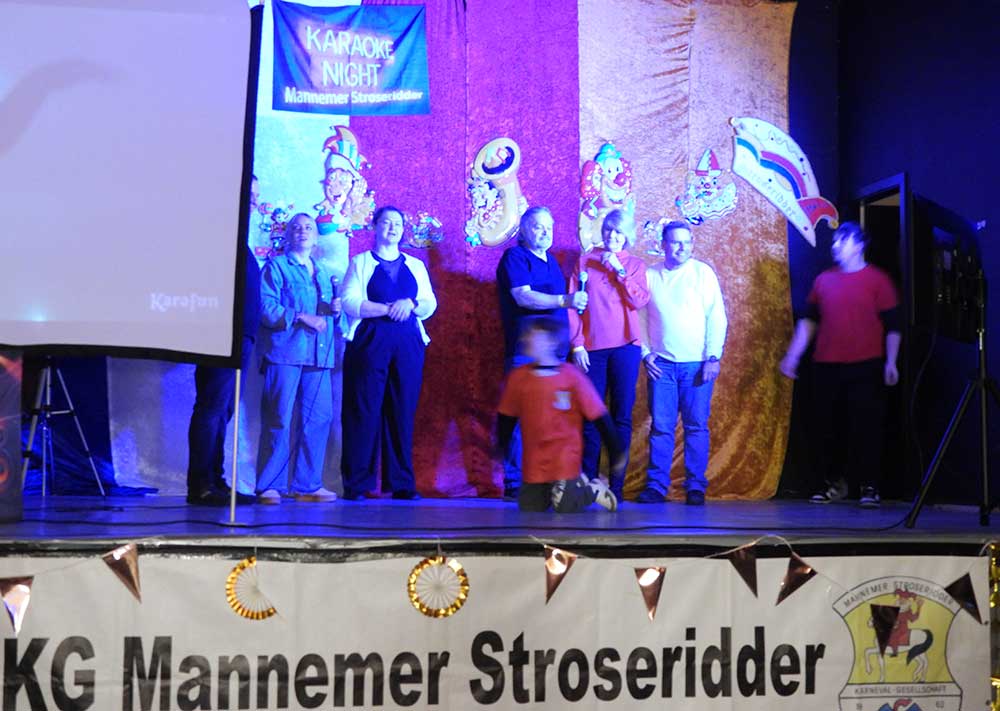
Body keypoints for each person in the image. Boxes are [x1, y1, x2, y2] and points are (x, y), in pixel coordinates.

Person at [780, 221, 899, 508]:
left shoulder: (878, 280)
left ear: (858, 245)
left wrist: (892, 361)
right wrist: (793, 356)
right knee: (825, 428)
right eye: (834, 241)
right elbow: (809, 321)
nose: (835, 246)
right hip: (826, 365)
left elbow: (893, 326)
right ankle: (828, 484)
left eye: (842, 241)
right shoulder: (823, 280)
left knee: (866, 427)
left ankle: (869, 486)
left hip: (866, 365)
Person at [340, 205, 437, 500]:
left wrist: (410, 304)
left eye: (398, 223)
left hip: (408, 342)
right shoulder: (361, 262)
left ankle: (401, 482)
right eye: (386, 222)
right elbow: (349, 302)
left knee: (402, 409)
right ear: (375, 227)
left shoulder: (415, 265)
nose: (393, 228)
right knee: (364, 409)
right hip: (370, 341)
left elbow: (429, 303)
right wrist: (387, 309)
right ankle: (357, 482)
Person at [496, 207, 587, 498]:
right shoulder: (516, 257)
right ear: (523, 230)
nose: (546, 232)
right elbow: (523, 296)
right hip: (527, 352)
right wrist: (565, 300)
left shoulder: (551, 261)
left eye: (549, 227)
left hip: (555, 355)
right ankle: (515, 482)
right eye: (538, 227)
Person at [638, 221, 727, 506]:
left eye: (687, 242)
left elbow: (717, 316)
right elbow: (639, 316)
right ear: (663, 244)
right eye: (676, 242)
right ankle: (656, 486)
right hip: (661, 365)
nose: (682, 248)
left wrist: (713, 356)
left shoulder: (703, 273)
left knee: (696, 426)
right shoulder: (650, 275)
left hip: (698, 365)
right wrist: (646, 353)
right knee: (661, 427)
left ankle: (695, 487)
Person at [186, 175, 261, 506]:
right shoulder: (219, 236)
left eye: (257, 195)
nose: (255, 201)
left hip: (241, 338)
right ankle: (201, 484)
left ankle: (215, 481)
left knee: (223, 411)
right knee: (211, 407)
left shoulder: (239, 238)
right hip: (221, 336)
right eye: (250, 194)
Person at [256, 213, 340, 504]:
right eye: (296, 228)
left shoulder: (323, 272)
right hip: (285, 353)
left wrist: (334, 309)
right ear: (287, 235)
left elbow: (327, 316)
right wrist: (301, 316)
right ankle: (270, 485)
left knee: (318, 419)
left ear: (316, 237)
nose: (302, 231)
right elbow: (265, 308)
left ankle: (307, 485)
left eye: (308, 228)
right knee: (279, 417)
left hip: (319, 356)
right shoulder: (276, 267)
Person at [498, 316, 622, 512]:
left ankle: (591, 490)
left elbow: (600, 417)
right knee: (530, 509)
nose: (527, 340)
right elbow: (506, 418)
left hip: (564, 460)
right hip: (535, 464)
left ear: (551, 343)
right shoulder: (518, 377)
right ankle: (561, 489)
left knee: (565, 506)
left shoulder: (571, 376)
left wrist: (617, 453)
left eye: (534, 336)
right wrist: (500, 448)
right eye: (527, 335)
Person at [567, 209, 649, 500]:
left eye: (618, 231)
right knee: (590, 416)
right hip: (592, 350)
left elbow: (639, 301)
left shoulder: (635, 265)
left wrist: (618, 270)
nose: (612, 236)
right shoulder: (584, 261)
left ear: (627, 235)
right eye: (608, 230)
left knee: (621, 417)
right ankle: (588, 483)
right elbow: (574, 306)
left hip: (626, 348)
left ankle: (616, 486)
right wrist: (577, 344)